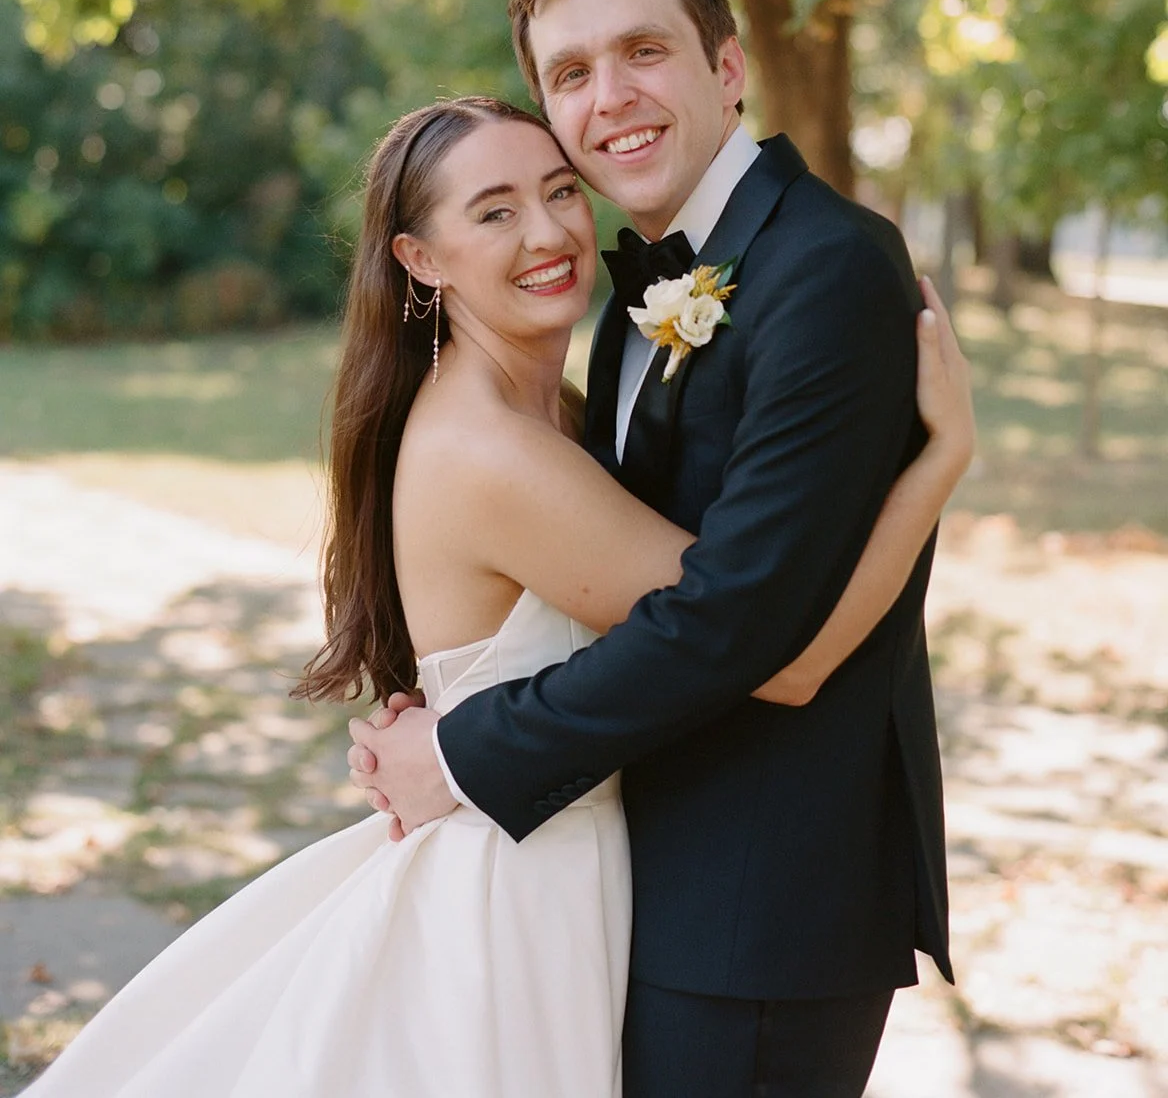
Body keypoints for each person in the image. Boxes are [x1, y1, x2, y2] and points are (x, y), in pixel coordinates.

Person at [24, 94, 972, 1098]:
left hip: (570, 856)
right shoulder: (494, 451)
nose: (550, 230)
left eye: (559, 190)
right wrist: (938, 461)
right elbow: (773, 650)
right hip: (522, 891)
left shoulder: (551, 407)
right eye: (494, 210)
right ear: (420, 258)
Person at [350, 0, 963, 1098]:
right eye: (570, 73)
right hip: (641, 889)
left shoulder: (823, 267)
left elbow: (740, 626)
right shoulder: (635, 295)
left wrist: (466, 750)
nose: (609, 96)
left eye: (642, 51)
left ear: (726, 69)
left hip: (760, 909)